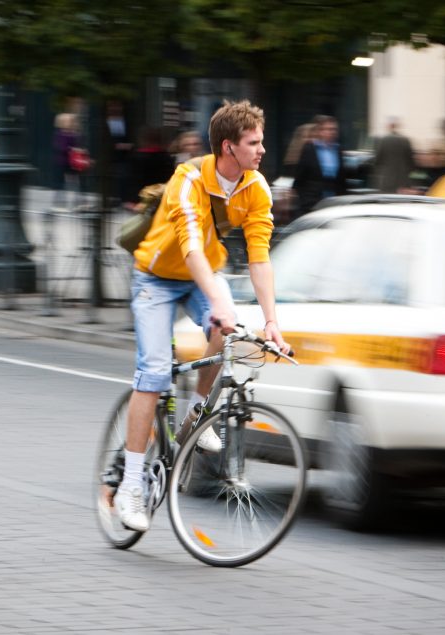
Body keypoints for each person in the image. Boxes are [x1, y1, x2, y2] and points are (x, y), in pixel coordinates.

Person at [113, 100, 290, 532]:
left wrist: (271, 321)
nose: (262, 149)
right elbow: (191, 248)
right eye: (254, 143)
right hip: (156, 278)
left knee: (226, 335)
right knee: (153, 374)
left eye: (261, 141)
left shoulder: (256, 188)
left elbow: (260, 258)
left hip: (202, 276)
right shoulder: (188, 178)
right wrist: (221, 305)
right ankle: (130, 487)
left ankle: (196, 417)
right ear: (228, 147)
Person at [291, 114, 346, 218]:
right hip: (312, 203)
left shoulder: (338, 150)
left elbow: (342, 180)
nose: (331, 132)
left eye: (334, 129)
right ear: (320, 132)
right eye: (327, 129)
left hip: (333, 204)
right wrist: (304, 200)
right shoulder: (310, 149)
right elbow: (299, 177)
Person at [124, 127, 175, 205]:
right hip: (161, 201)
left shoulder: (137, 158)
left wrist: (132, 200)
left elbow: (132, 182)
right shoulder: (166, 158)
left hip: (140, 201)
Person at [372, 117, 415, 193]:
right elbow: (411, 162)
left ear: (389, 126)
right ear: (397, 126)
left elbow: (377, 161)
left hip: (387, 181)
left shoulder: (383, 140)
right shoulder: (405, 140)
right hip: (403, 181)